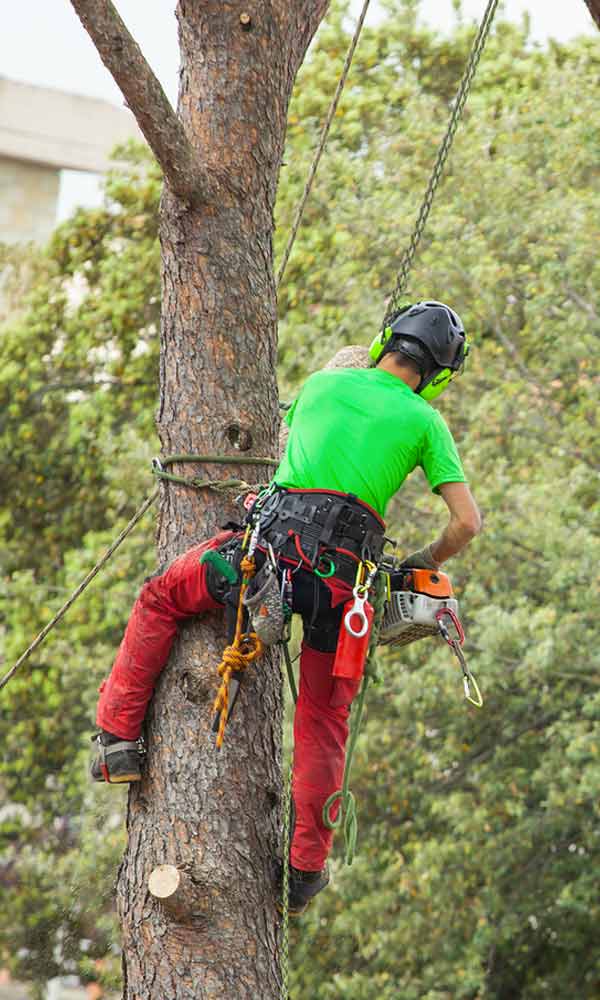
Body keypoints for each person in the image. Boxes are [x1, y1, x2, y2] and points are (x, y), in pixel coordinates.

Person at [91, 300, 481, 914]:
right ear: (437, 374)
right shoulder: (426, 421)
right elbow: (467, 523)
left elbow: (287, 448)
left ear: (385, 343)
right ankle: (303, 871)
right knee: (324, 718)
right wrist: (420, 563)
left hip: (268, 549)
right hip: (344, 586)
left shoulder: (325, 383)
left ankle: (117, 741)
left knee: (161, 597)